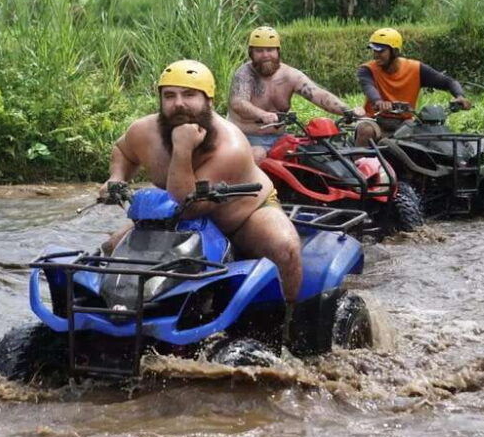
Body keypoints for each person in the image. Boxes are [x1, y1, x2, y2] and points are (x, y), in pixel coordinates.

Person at [99, 60, 302, 303]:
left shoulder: (231, 145)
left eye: (189, 95)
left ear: (209, 100)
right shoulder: (144, 131)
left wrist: (182, 148)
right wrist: (116, 177)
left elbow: (190, 203)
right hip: (174, 219)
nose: (179, 104)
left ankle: (288, 323)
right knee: (112, 247)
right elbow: (123, 150)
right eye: (169, 96)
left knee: (284, 248)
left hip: (242, 216)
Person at [227, 26, 365, 162]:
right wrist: (262, 115)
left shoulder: (290, 75)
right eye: (259, 51)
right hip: (245, 138)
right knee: (258, 154)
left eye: (270, 50)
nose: (265, 55)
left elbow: (319, 95)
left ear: (278, 52)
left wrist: (347, 111)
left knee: (309, 155)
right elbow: (238, 103)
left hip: (278, 139)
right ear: (251, 53)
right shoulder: (244, 74)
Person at [354, 27, 472, 146]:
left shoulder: (415, 69)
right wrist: (378, 102)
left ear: (394, 51)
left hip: (404, 122)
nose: (375, 55)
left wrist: (460, 96)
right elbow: (368, 87)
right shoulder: (367, 69)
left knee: (428, 138)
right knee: (365, 131)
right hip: (375, 121)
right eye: (374, 51)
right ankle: (359, 163)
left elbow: (448, 82)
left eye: (380, 51)